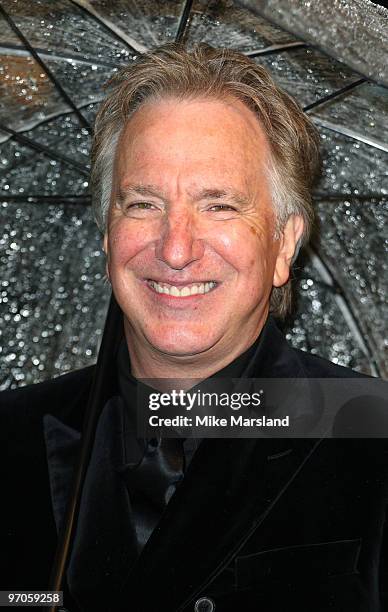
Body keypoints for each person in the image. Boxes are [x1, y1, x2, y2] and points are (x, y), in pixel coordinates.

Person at [1, 44, 387, 612]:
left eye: (220, 206)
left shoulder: (374, 444)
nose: (176, 248)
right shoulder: (9, 439)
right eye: (142, 204)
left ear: (285, 242)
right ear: (108, 236)